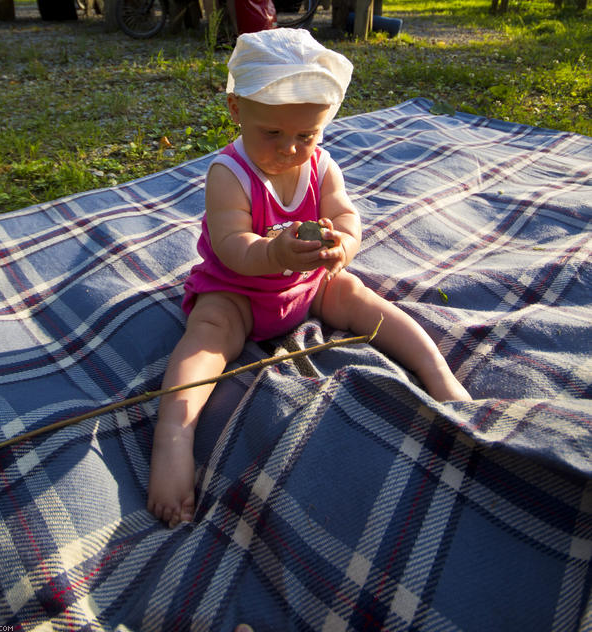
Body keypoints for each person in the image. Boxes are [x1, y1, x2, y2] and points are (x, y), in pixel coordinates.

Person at [147, 29, 471, 528]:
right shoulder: (229, 174)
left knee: (358, 295)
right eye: (272, 134)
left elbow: (347, 216)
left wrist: (343, 245)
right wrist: (274, 250)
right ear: (237, 109)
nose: (291, 150)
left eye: (307, 135)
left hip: (305, 288)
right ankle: (174, 436)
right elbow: (232, 246)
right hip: (238, 293)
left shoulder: (321, 166)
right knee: (208, 333)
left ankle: (437, 373)